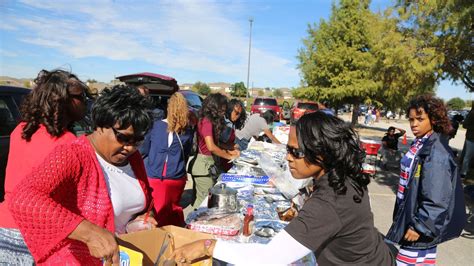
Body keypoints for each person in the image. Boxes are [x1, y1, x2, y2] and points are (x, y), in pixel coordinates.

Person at [170, 111, 395, 265]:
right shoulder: (344, 174)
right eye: (288, 149)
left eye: (295, 152)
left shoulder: (330, 202)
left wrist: (207, 246)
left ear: (322, 154)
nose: (287, 158)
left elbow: (270, 258)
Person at [8, 85, 157, 264]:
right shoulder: (73, 155)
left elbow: (144, 201)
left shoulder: (134, 159)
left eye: (138, 140)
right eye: (123, 138)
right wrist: (87, 232)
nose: (130, 147)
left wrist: (145, 218)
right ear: (101, 125)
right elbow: (23, 198)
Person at [0, 69, 88, 265]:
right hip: (36, 236)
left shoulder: (21, 130)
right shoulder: (68, 143)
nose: (85, 100)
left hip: (4, 228)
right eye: (80, 95)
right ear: (63, 99)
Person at [385, 94, 466, 266]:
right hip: (412, 215)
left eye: (420, 119)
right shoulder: (422, 142)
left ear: (434, 119)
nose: (414, 124)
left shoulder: (435, 151)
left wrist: (420, 225)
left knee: (407, 262)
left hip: (420, 223)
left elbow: (437, 196)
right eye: (411, 119)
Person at [140, 92, 193, 227]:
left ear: (168, 108)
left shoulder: (155, 126)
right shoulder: (187, 131)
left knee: (156, 214)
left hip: (156, 177)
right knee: (172, 210)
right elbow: (186, 154)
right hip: (177, 177)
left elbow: (144, 150)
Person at [190, 93, 240, 209]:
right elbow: (211, 146)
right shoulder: (207, 121)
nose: (224, 111)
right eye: (222, 107)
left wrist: (229, 148)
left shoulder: (209, 121)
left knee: (205, 201)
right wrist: (228, 156)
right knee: (203, 203)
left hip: (207, 165)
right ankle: (193, 226)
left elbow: (216, 143)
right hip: (203, 167)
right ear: (214, 106)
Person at [219, 99, 246, 171]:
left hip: (229, 158)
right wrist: (231, 148)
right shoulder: (223, 122)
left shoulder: (232, 123)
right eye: (236, 113)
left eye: (239, 114)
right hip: (221, 158)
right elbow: (217, 143)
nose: (237, 117)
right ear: (230, 110)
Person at [461, 104, 474, 179]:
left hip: (471, 137)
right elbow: (464, 125)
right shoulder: (472, 113)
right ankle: (463, 173)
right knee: (468, 156)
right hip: (471, 138)